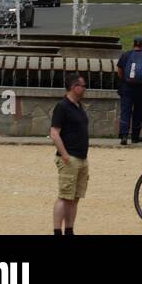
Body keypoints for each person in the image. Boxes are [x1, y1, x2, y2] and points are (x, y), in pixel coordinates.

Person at [49, 72, 89, 236]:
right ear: (74, 87)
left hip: (81, 158)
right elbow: (54, 132)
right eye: (83, 86)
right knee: (65, 196)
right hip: (69, 158)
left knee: (75, 197)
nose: (85, 89)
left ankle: (69, 230)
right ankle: (57, 231)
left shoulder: (79, 106)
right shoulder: (62, 106)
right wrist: (64, 155)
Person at [116, 35, 142, 145]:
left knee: (125, 111)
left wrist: (125, 79)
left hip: (126, 88)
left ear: (133, 43)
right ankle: (135, 137)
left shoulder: (125, 55)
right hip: (140, 90)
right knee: (138, 112)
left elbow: (119, 72)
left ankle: (124, 135)